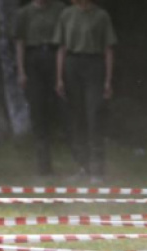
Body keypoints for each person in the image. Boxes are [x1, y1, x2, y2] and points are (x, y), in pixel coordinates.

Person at [54, 0, 116, 183]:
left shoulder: (101, 16)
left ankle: (97, 170)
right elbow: (61, 48)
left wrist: (108, 80)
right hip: (73, 65)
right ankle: (83, 166)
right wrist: (59, 78)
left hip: (94, 65)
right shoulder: (67, 14)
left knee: (94, 115)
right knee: (76, 117)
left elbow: (108, 49)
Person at [14, 0, 66, 177]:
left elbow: (64, 41)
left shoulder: (60, 9)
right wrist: (21, 71)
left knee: (62, 109)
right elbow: (19, 43)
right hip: (33, 59)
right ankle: (44, 166)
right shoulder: (24, 13)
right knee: (38, 111)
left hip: (55, 58)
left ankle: (82, 162)